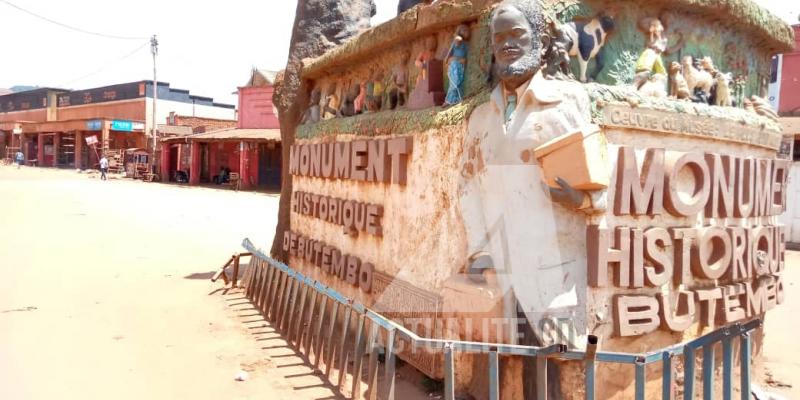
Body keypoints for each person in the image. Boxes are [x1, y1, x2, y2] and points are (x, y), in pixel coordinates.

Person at [458, 1, 603, 395]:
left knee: (549, 366)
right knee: (501, 361)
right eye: (498, 37)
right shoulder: (481, 118)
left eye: (517, 35)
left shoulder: (565, 103)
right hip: (498, 267)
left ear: (539, 41)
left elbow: (597, 183)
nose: (506, 44)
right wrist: (479, 250)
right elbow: (467, 187)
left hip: (551, 270)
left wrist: (583, 199)